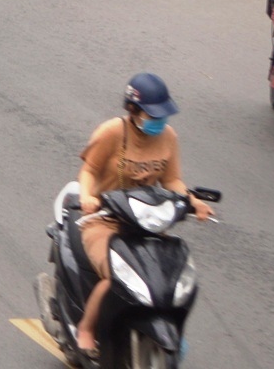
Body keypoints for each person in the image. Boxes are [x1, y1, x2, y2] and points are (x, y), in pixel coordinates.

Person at [70, 73, 214, 360]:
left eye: (163, 115)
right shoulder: (111, 132)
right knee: (116, 278)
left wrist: (192, 201)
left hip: (147, 221)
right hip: (105, 221)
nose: (159, 121)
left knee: (168, 279)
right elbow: (88, 171)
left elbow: (172, 181)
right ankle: (86, 329)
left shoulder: (168, 137)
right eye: (153, 114)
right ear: (133, 109)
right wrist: (87, 197)